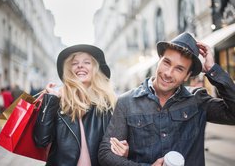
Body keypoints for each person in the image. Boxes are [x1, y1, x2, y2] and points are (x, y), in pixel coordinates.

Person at [98, 32, 235, 166]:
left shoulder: (197, 100)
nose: (168, 73)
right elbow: (106, 153)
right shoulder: (126, 102)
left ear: (187, 76)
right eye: (166, 62)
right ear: (159, 60)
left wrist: (213, 70)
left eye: (179, 69)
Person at [33, 44, 118, 166]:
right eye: (74, 63)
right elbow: (41, 141)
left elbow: (114, 144)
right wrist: (50, 101)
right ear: (69, 69)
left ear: (95, 68)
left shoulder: (107, 103)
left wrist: (124, 151)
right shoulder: (58, 101)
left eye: (87, 62)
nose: (80, 66)